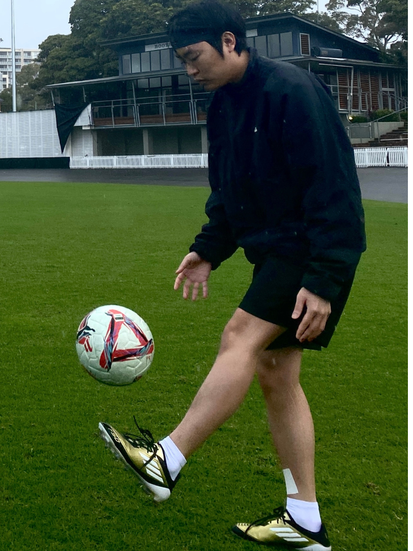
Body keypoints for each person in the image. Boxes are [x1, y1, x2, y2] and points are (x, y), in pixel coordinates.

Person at [97, 1, 365, 550]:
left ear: (228, 40)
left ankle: (167, 459)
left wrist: (325, 279)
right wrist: (207, 251)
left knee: (239, 338)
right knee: (275, 373)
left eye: (194, 57)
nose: (189, 70)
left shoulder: (293, 91)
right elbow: (229, 190)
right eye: (181, 61)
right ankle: (305, 521)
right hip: (274, 253)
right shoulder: (222, 107)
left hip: (308, 252)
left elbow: (335, 188)